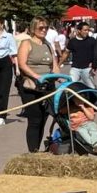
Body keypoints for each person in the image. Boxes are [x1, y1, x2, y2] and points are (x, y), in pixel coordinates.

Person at [16, 16, 60, 152]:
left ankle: (37, 149)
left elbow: (55, 65)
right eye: (41, 28)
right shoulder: (26, 43)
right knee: (34, 119)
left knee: (43, 119)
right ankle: (32, 151)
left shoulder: (47, 44)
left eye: (46, 27)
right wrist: (37, 77)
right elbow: (22, 64)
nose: (44, 30)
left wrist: (59, 77)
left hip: (47, 86)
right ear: (33, 28)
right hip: (31, 86)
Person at [65, 21, 97, 90]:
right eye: (85, 30)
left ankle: (95, 100)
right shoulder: (72, 41)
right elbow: (66, 53)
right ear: (79, 31)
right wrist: (58, 64)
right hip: (75, 68)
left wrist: (94, 65)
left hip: (87, 69)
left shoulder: (92, 40)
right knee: (70, 87)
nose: (87, 32)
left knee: (92, 88)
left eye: (88, 30)